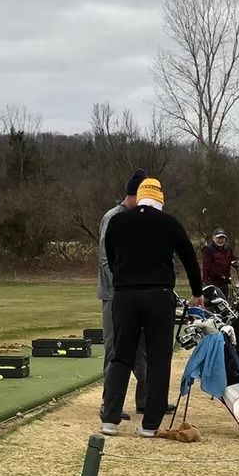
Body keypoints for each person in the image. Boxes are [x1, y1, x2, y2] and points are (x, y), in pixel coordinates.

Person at [101, 178, 203, 437]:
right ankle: (150, 424)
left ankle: (110, 419)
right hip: (159, 296)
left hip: (125, 296)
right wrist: (196, 292)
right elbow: (189, 257)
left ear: (139, 196)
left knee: (121, 356)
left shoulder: (117, 221)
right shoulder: (169, 223)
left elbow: (111, 258)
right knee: (158, 358)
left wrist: (125, 280)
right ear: (160, 199)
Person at [97, 172, 148, 421]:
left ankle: (147, 399)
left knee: (141, 350)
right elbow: (106, 259)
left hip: (133, 294)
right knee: (115, 347)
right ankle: (109, 402)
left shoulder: (136, 218)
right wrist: (119, 289)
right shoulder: (113, 218)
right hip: (114, 294)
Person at [201, 228, 236, 293]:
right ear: (213, 238)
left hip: (224, 283)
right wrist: (222, 276)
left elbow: (233, 258)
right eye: (218, 238)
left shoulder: (228, 249)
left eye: (222, 238)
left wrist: (238, 263)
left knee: (225, 301)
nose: (220, 240)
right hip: (211, 283)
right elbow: (209, 267)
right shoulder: (208, 249)